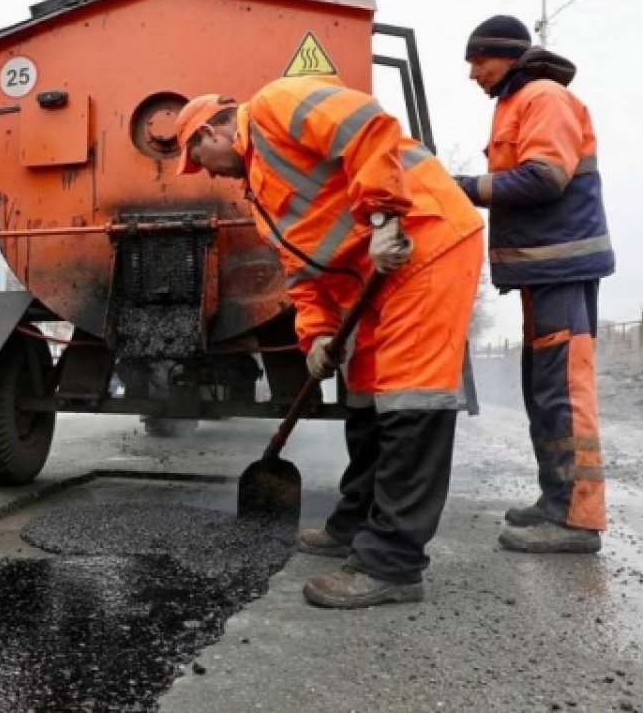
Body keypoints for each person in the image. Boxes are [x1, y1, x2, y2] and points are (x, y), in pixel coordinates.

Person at [175, 76, 483, 608]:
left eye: (197, 157)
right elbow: (301, 272)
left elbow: (366, 125)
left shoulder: (274, 104)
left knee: (411, 399)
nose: (204, 171)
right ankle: (353, 524)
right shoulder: (258, 193)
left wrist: (385, 216)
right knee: (362, 398)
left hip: (421, 243)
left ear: (211, 129)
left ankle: (392, 565)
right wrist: (316, 336)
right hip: (369, 280)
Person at [455, 15, 615, 553]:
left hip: (561, 268)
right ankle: (556, 500)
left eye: (479, 61)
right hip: (540, 270)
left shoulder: (542, 96)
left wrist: (461, 188)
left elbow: (546, 178)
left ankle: (577, 519)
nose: (474, 73)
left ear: (506, 55)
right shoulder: (514, 102)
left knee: (565, 393)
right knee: (544, 392)